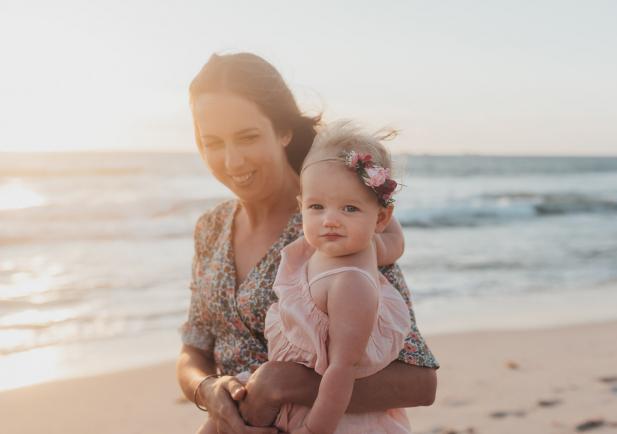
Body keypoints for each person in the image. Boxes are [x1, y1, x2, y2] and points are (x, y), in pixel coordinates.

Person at [175, 52, 439, 434]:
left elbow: (420, 382)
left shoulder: (331, 223)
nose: (231, 161)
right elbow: (194, 347)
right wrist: (207, 390)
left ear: (283, 130)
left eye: (247, 137)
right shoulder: (211, 228)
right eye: (212, 142)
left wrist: (284, 386)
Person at [263, 121, 413, 433]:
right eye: (316, 206)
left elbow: (342, 371)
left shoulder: (352, 283)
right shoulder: (348, 246)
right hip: (297, 398)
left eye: (349, 208)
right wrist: (371, 210)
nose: (330, 220)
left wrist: (312, 430)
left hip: (332, 418)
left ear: (381, 218)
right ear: (301, 207)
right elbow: (396, 244)